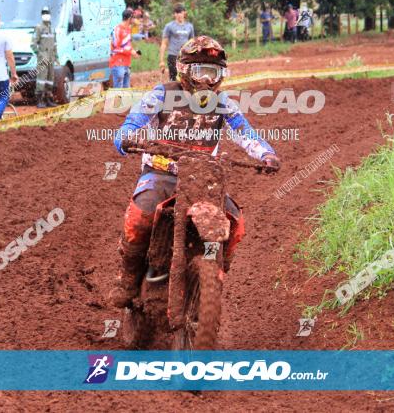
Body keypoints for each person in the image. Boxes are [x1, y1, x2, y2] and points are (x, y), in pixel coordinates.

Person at [108, 36, 281, 307]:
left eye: (213, 73)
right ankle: (128, 277)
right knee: (140, 216)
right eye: (200, 71)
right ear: (185, 70)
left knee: (234, 223)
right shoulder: (162, 94)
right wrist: (127, 137)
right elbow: (133, 121)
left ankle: (214, 273)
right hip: (160, 173)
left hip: (203, 180)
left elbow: (246, 134)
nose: (206, 80)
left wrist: (267, 154)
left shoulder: (223, 104)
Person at [30, 6, 58, 108]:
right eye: (44, 12)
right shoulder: (39, 28)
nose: (46, 14)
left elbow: (54, 44)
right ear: (42, 15)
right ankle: (40, 100)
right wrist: (39, 54)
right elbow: (33, 44)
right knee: (41, 78)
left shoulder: (52, 28)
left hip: (51, 57)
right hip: (43, 57)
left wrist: (56, 56)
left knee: (50, 78)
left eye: (47, 12)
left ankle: (48, 99)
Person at [158, 4, 195, 81]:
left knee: (186, 79)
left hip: (185, 56)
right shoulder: (169, 26)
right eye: (177, 13)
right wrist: (161, 61)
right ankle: (174, 92)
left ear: (184, 13)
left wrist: (194, 56)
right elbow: (164, 44)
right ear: (174, 14)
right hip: (173, 55)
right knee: (174, 80)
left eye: (180, 12)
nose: (179, 15)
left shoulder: (189, 26)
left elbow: (192, 42)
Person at [109, 8, 140, 89]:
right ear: (130, 18)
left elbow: (127, 45)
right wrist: (130, 51)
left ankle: (126, 102)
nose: (134, 20)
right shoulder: (117, 29)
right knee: (118, 88)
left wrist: (134, 52)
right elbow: (115, 47)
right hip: (118, 63)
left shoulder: (128, 29)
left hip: (126, 63)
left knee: (126, 88)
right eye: (133, 18)